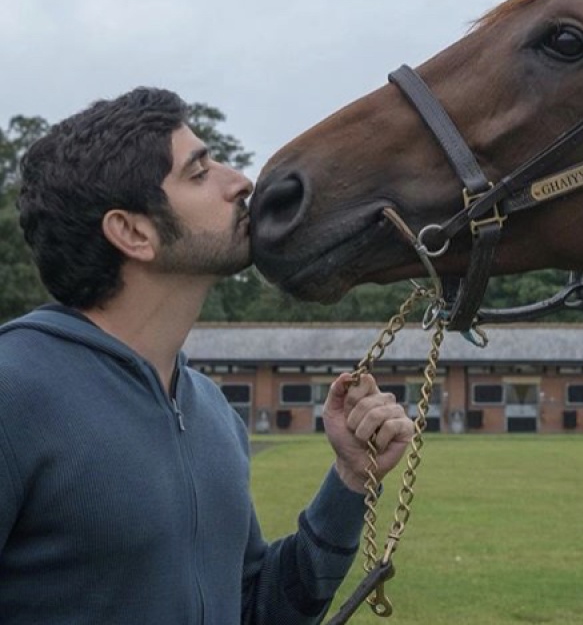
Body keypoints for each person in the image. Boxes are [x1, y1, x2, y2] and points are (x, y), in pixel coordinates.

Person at [0, 86, 414, 624]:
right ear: (132, 232)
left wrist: (351, 480)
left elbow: (254, 610)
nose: (240, 182)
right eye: (198, 173)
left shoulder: (211, 408)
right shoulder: (13, 392)